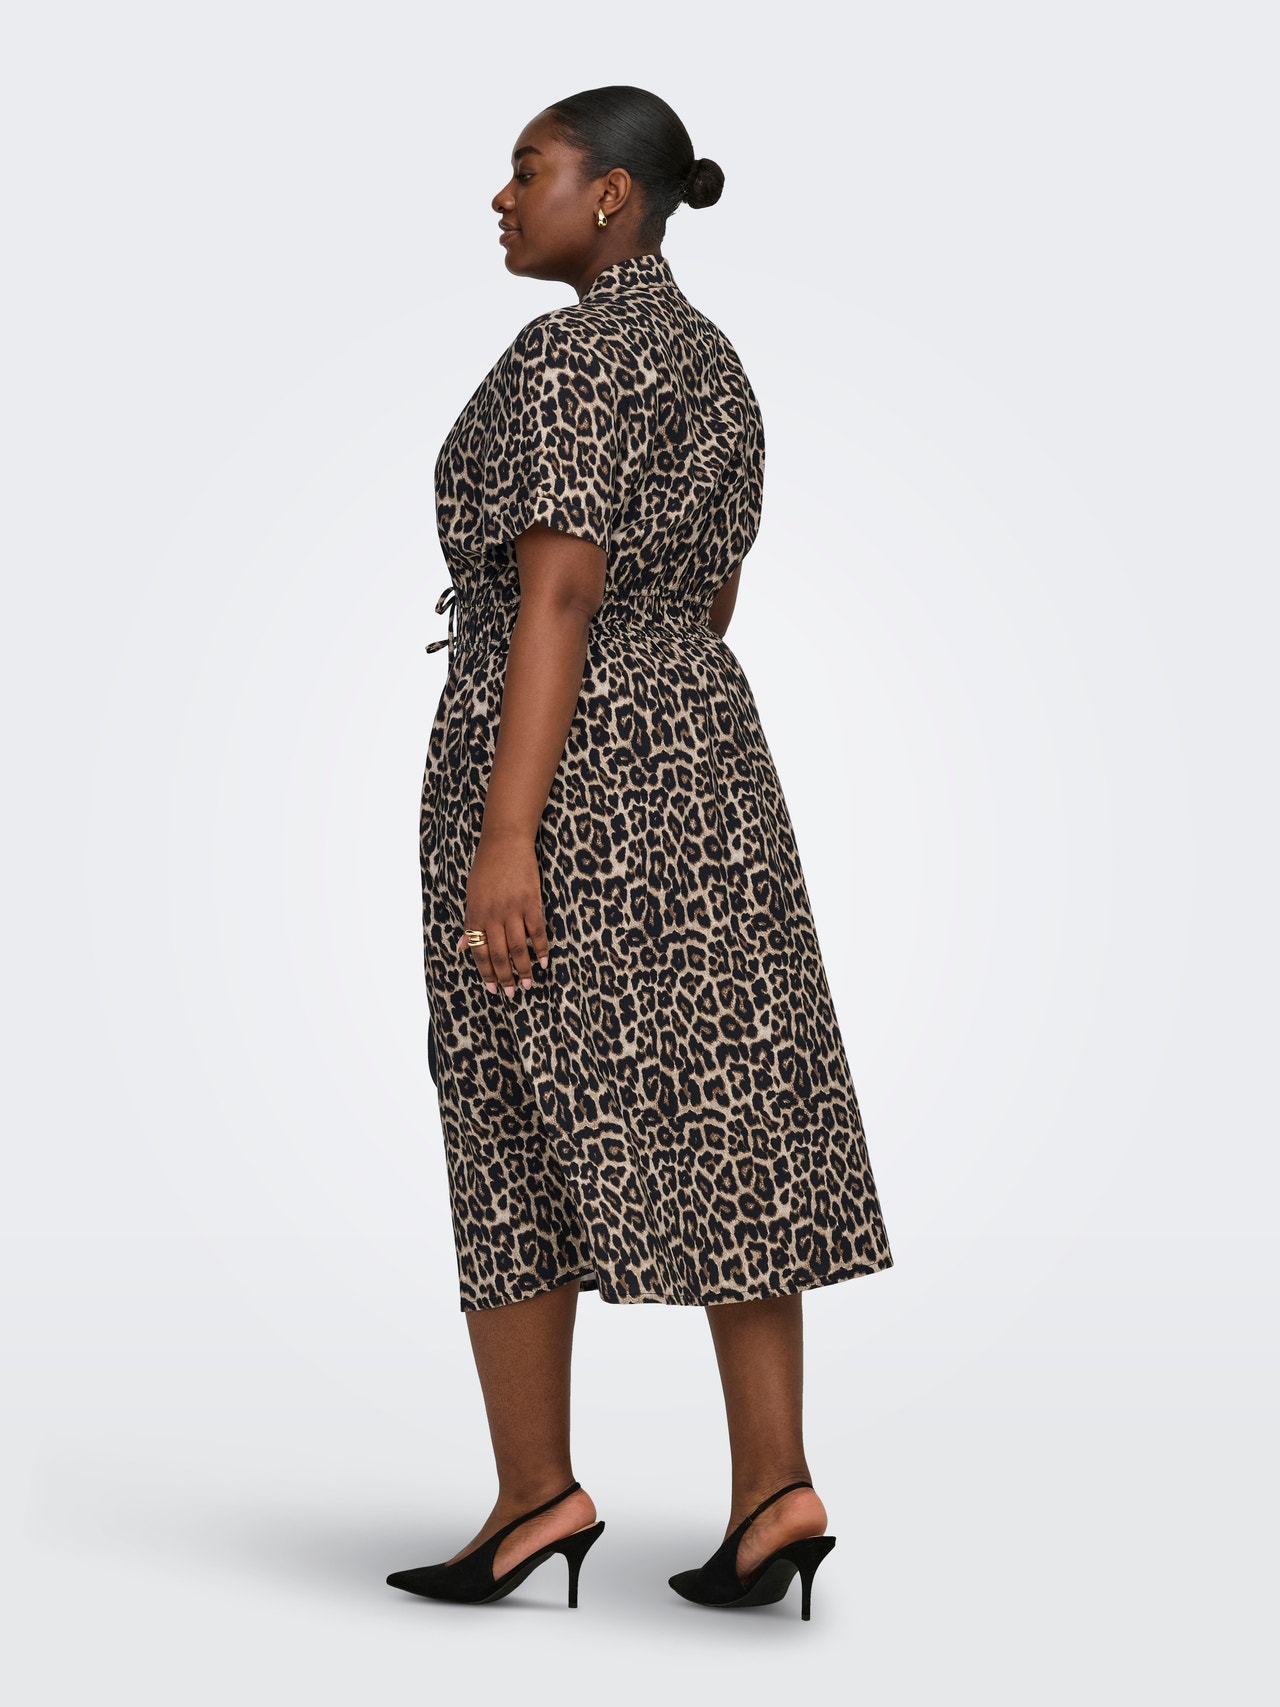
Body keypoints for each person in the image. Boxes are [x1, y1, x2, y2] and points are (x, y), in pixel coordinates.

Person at [386, 85, 894, 1619]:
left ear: (612, 194)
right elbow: (711, 593)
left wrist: (507, 834)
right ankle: (775, 1492)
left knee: (507, 1099)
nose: (501, 197)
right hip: (707, 759)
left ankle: (536, 1496)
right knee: (733, 1099)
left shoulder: (567, 358)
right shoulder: (715, 364)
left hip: (560, 777)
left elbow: (556, 594)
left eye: (527, 169)